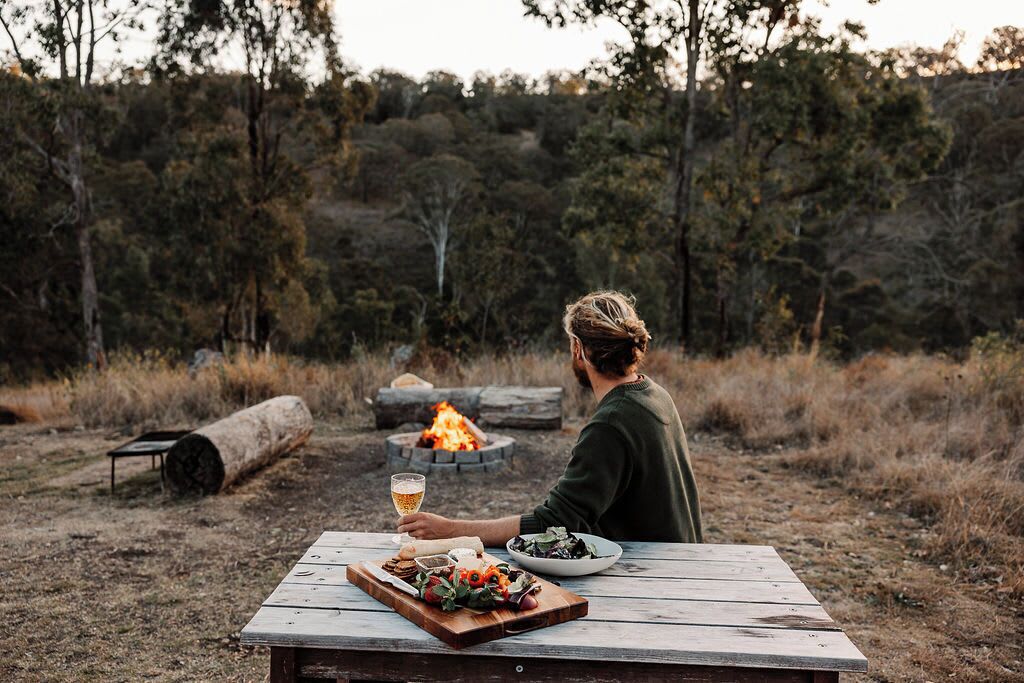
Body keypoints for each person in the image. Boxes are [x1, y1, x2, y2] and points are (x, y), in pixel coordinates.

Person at [397, 291, 702, 545]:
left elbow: (553, 522)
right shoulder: (655, 394)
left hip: (652, 577)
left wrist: (450, 530)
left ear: (578, 348)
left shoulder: (611, 423)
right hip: (678, 561)